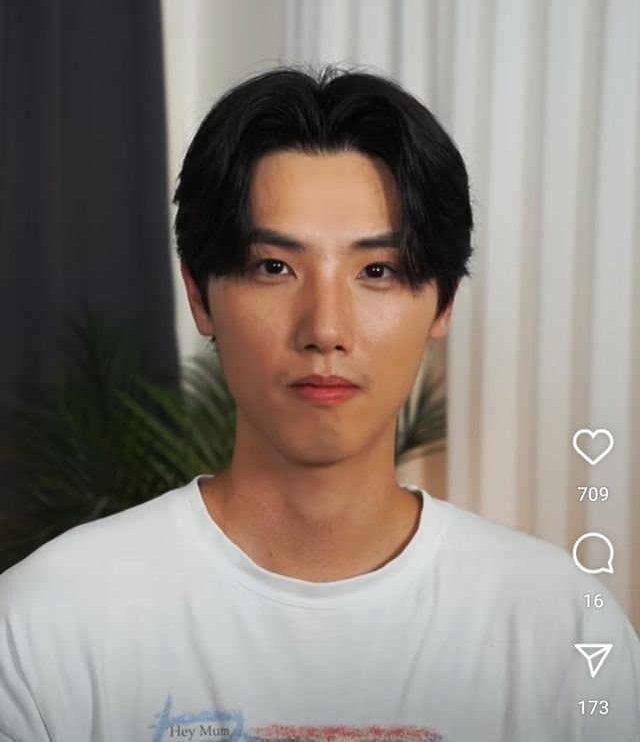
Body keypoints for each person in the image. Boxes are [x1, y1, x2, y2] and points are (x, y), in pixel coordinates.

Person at [0, 65, 638, 742]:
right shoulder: (49, 622)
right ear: (199, 294)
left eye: (377, 271)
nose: (325, 329)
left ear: (443, 303)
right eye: (274, 267)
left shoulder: (563, 631)